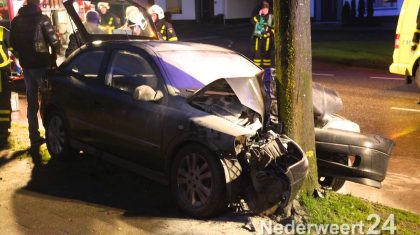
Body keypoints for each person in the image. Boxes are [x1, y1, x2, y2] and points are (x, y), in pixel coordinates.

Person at [10, 0, 60, 147]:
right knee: (49, 99)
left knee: (31, 101)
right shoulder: (42, 19)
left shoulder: (16, 21)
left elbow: (13, 44)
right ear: (37, 4)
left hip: (27, 65)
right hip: (42, 64)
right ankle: (52, 135)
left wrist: (21, 57)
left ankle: (34, 136)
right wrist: (54, 54)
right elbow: (54, 41)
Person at [251, 0, 274, 68]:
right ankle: (257, 71)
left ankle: (267, 75)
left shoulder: (271, 17)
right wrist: (259, 15)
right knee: (257, 56)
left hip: (267, 39)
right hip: (258, 38)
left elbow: (274, 28)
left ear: (268, 9)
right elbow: (252, 21)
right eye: (263, 9)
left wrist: (270, 33)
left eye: (265, 9)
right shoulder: (258, 16)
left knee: (267, 56)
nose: (264, 10)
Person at [0, 26, 11, 146]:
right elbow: (14, 48)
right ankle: (3, 129)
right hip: (2, 72)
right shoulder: (2, 31)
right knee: (3, 101)